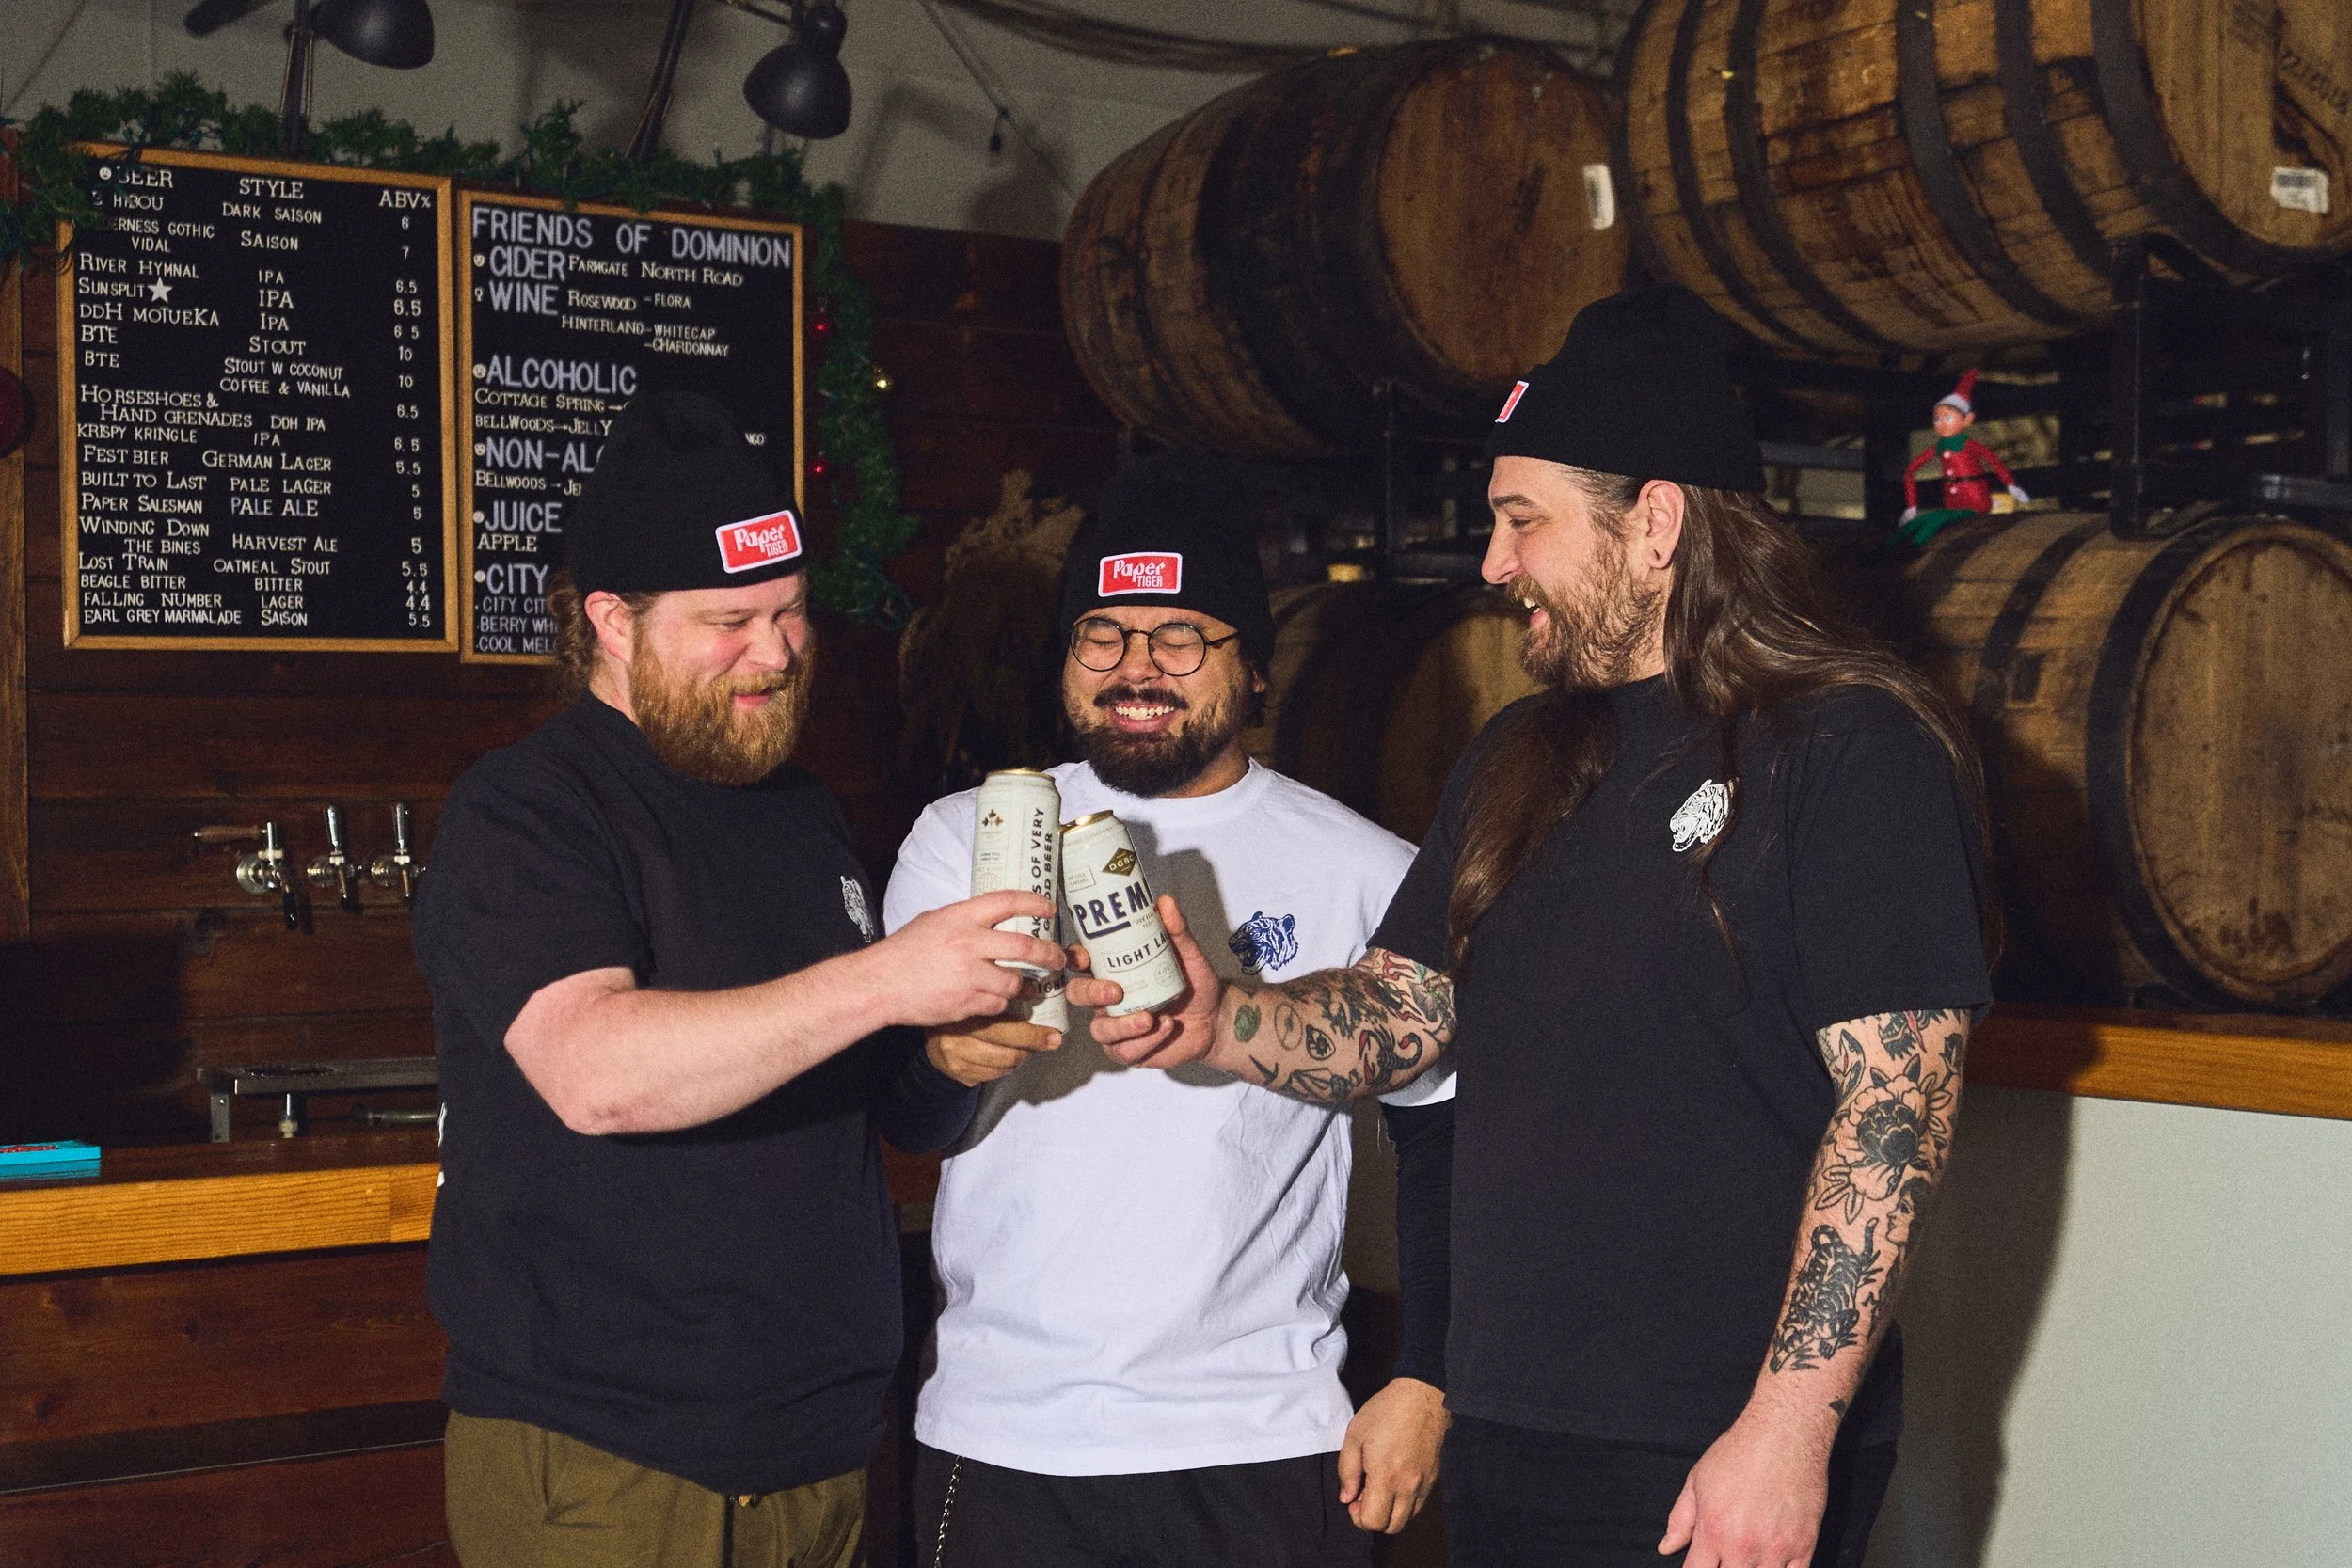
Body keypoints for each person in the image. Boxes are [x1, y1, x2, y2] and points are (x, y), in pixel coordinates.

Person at [1079, 284, 1994, 1568]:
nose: (1494, 561)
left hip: (1713, 1444)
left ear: (1657, 521)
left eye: (1525, 519)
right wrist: (1220, 1016)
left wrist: (1787, 1430)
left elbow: (1898, 1110)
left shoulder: (1851, 746)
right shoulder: (1519, 749)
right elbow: (1406, 1012)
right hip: (1512, 1426)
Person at [413, 389, 1062, 1568]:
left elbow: (856, 1097)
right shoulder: (529, 808)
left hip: (816, 1449)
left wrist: (946, 1055)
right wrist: (882, 980)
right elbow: (594, 1071)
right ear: (612, 620)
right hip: (610, 1462)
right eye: (729, 619)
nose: (774, 652)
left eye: (792, 612)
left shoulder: (796, 810)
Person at [882, 450, 1456, 1567]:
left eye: (1181, 634)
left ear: (1252, 669)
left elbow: (1442, 1130)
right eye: (1103, 632)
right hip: (1006, 1432)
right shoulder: (967, 838)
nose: (1136, 666)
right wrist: (949, 1059)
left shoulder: (1366, 869)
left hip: (1265, 1436)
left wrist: (1426, 1374)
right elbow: (907, 1119)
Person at [1897, 369, 2030, 547]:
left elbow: (1994, 462)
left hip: (1975, 500)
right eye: (1937, 419)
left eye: (1948, 418)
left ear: (1967, 420)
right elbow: (1911, 470)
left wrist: (2011, 485)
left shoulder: (1970, 445)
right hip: (1951, 502)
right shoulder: (1939, 446)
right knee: (1925, 519)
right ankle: (1891, 544)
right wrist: (1912, 505)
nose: (1941, 424)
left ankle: (1911, 548)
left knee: (1934, 520)